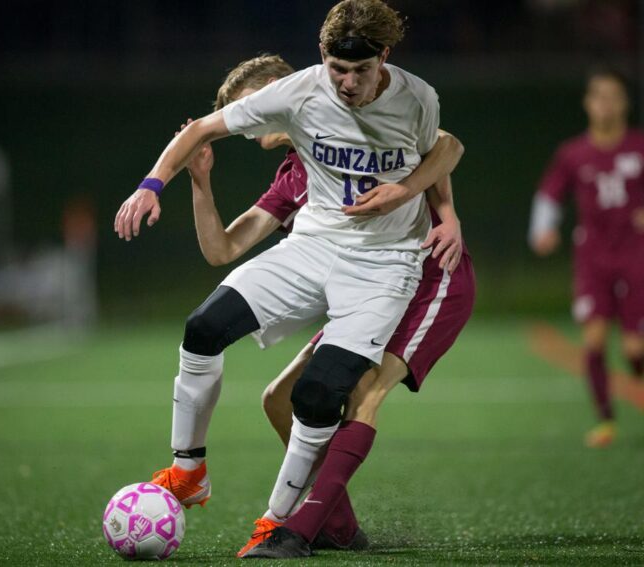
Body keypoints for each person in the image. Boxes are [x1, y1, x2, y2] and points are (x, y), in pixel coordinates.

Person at [114, 0, 461, 547]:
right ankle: (187, 470)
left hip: (385, 264)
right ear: (321, 56)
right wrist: (152, 185)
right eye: (336, 69)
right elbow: (200, 131)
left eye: (361, 70)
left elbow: (443, 149)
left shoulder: (417, 97)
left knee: (318, 394)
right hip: (314, 245)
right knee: (203, 328)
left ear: (384, 58)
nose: (347, 83)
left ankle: (277, 523)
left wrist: (420, 197)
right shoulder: (299, 92)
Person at [182, 54, 473, 558]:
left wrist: (449, 214)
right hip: (365, 291)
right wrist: (199, 182)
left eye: (246, 111)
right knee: (280, 399)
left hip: (429, 277)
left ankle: (301, 528)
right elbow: (222, 250)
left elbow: (444, 144)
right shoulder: (298, 172)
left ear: (276, 91)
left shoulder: (358, 116)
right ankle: (338, 527)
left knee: (361, 393)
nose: (247, 129)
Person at [529, 68, 644, 448]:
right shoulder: (573, 153)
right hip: (592, 258)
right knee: (593, 341)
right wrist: (543, 230)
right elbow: (549, 193)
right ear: (588, 104)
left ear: (625, 103)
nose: (606, 104)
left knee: (634, 349)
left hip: (636, 255)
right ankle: (606, 421)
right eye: (599, 97)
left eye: (614, 96)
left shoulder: (639, 147)